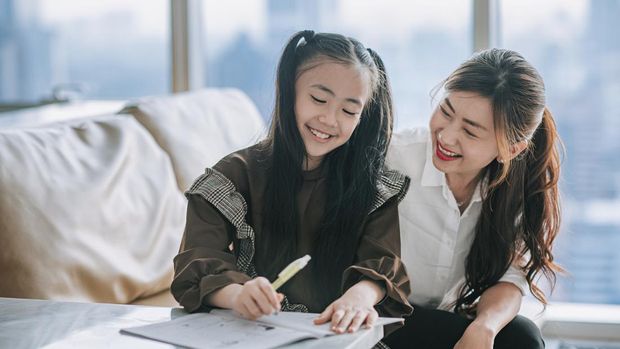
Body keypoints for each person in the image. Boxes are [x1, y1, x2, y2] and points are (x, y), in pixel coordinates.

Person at [171, 30, 412, 335]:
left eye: (349, 110)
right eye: (319, 99)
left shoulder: (374, 186)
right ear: (289, 90)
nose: (329, 119)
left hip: (338, 337)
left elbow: (382, 264)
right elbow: (196, 264)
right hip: (251, 333)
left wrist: (359, 297)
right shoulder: (232, 176)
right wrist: (238, 294)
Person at [383, 48, 562, 349]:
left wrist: (484, 328)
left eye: (470, 131)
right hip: (378, 315)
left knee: (521, 337)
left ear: (512, 149)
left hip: (441, 319)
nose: (447, 136)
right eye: (446, 111)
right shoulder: (394, 159)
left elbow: (509, 279)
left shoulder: (516, 188)